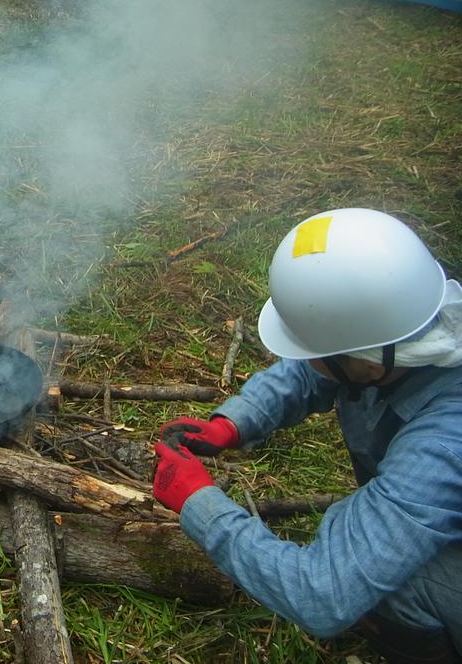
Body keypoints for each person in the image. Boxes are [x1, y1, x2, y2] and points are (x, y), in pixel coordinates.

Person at [152, 208, 462, 664]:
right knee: (351, 525)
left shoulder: (442, 443)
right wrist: (233, 422)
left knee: (389, 580)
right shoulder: (401, 330)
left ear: (370, 365)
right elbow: (315, 373)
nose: (304, 359)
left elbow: (322, 593)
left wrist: (200, 502)